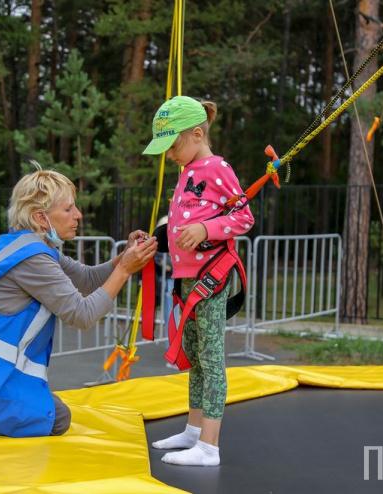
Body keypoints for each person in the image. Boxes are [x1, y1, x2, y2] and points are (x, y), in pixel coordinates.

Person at [0, 169, 157, 478]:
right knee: (56, 418)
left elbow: (87, 279)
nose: (78, 215)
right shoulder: (33, 259)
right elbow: (82, 314)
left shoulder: (26, 245)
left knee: (48, 409)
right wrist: (125, 270)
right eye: (68, 209)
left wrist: (123, 258)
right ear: (40, 217)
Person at [142, 96, 254, 467]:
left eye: (173, 145)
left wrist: (207, 229)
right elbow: (185, 220)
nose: (170, 154)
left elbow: (243, 217)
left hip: (211, 278)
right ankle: (193, 429)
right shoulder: (187, 171)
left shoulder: (217, 168)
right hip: (187, 278)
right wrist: (161, 236)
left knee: (211, 357)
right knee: (194, 356)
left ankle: (209, 445)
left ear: (197, 134)